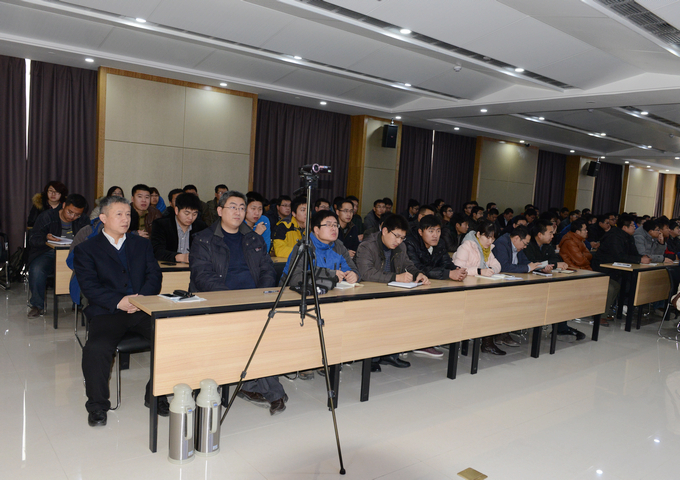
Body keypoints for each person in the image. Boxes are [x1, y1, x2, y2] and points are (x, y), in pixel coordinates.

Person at [189, 191, 287, 415]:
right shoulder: (203, 239)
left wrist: (259, 295)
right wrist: (232, 299)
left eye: (242, 208)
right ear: (220, 210)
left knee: (264, 331)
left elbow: (267, 269)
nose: (238, 212)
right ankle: (270, 391)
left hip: (252, 301)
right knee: (246, 333)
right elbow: (202, 276)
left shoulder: (253, 238)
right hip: (217, 302)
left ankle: (256, 386)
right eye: (232, 207)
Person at [73, 195, 163, 427]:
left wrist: (141, 298)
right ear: (103, 218)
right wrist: (119, 301)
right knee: (96, 349)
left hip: (142, 309)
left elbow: (154, 275)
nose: (126, 219)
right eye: (119, 214)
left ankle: (156, 393)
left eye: (128, 214)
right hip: (107, 311)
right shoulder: (86, 249)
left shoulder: (141, 244)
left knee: (171, 338)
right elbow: (89, 287)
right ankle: (97, 405)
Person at [355, 214, 430, 370]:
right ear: (384, 231)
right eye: (396, 236)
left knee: (402, 315)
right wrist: (396, 277)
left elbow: (408, 265)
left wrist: (418, 274)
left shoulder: (401, 247)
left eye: (402, 238)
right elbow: (365, 273)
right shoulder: (367, 246)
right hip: (370, 296)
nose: (399, 241)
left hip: (391, 293)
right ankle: (372, 358)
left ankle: (391, 354)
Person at [27, 193, 89, 317]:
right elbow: (33, 239)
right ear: (64, 205)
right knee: (37, 269)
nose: (73, 217)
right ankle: (37, 305)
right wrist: (46, 238)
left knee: (87, 268)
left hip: (74, 254)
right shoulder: (47, 217)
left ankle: (79, 304)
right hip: (48, 252)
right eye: (70, 212)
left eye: (77, 214)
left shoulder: (83, 220)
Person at [452, 220, 507, 355]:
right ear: (478, 234)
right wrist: (479, 271)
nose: (490, 241)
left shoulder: (488, 250)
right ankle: (486, 342)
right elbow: (457, 268)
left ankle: (488, 341)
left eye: (493, 238)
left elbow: (498, 265)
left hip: (479, 287)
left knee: (496, 304)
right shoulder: (467, 246)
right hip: (463, 288)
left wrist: (491, 269)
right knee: (488, 306)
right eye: (487, 237)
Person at [560, 218, 620, 325]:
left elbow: (588, 256)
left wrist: (585, 256)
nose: (587, 231)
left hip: (585, 271)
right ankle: (600, 315)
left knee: (615, 285)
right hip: (576, 273)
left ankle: (601, 310)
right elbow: (582, 260)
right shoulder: (570, 242)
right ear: (578, 231)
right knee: (609, 288)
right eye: (584, 229)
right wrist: (586, 256)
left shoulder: (580, 240)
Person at [150, 193, 207, 263]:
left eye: (194, 214)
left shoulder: (201, 227)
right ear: (176, 210)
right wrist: (181, 257)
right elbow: (157, 251)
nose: (190, 217)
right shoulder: (161, 225)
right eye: (187, 213)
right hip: (169, 267)